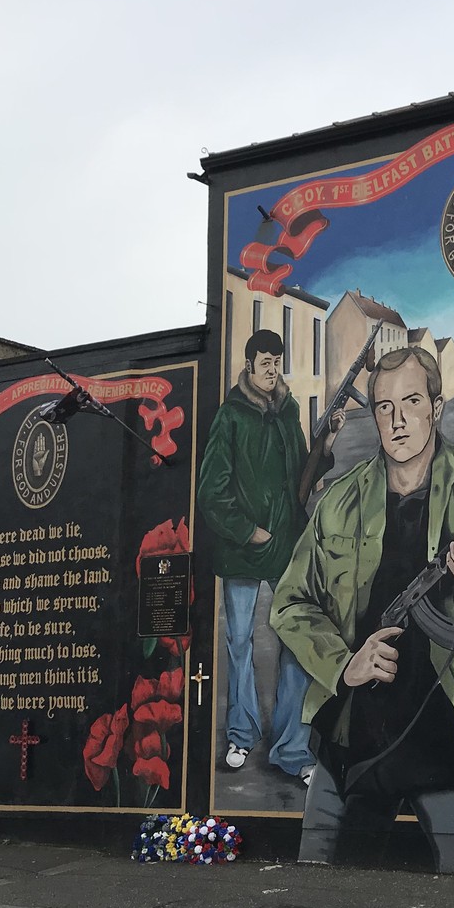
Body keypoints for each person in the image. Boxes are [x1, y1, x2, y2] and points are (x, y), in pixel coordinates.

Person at [270, 347, 454, 874]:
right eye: (383, 407)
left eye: (412, 401)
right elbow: (289, 602)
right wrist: (343, 663)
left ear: (437, 407)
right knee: (324, 878)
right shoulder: (341, 500)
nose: (397, 421)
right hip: (358, 723)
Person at [199, 329, 326, 783]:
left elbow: (300, 471)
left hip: (285, 543)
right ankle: (240, 733)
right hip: (243, 549)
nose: (272, 370)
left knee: (295, 638)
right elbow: (210, 491)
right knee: (238, 642)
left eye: (277, 362)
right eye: (264, 363)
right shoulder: (230, 417)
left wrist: (324, 453)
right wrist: (246, 530)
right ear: (249, 367)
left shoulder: (288, 409)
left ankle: (291, 748)